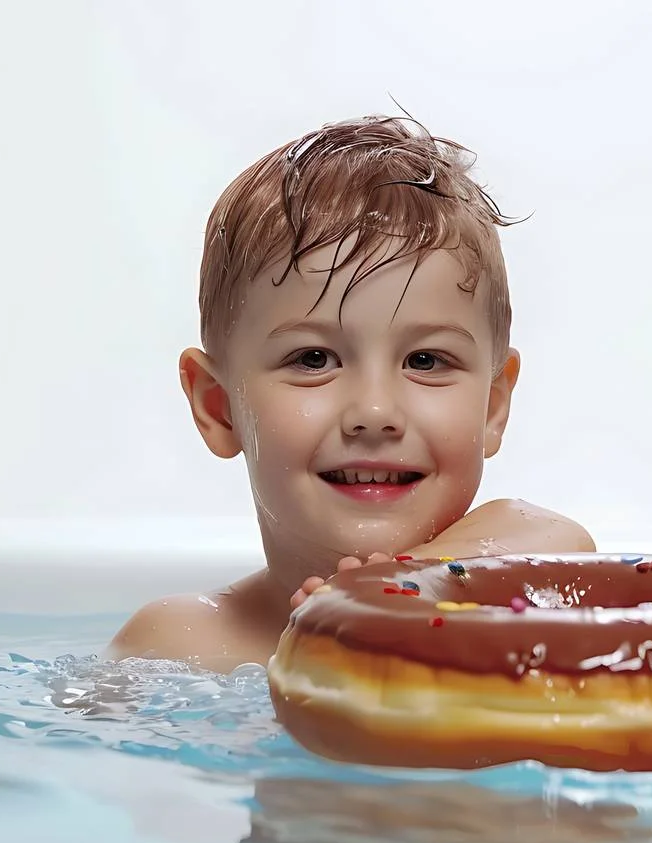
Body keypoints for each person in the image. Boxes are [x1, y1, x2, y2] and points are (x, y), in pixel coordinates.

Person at [107, 114, 595, 672]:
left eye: (425, 361)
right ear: (218, 408)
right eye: (313, 360)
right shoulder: (182, 642)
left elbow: (554, 538)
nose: (375, 411)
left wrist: (396, 592)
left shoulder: (522, 573)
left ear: (492, 405)